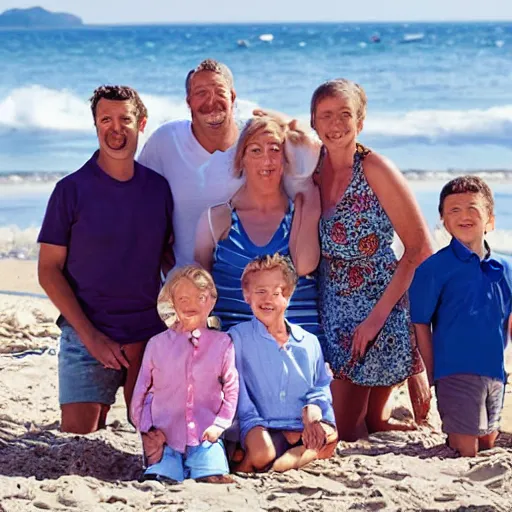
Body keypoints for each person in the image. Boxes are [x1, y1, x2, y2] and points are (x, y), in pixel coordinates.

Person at [37, 85, 174, 434]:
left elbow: (167, 258)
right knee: (80, 435)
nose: (116, 128)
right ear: (95, 126)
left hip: (145, 333)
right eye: (106, 119)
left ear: (141, 123)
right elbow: (48, 271)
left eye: (125, 119)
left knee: (154, 431)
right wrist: (92, 337)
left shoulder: (158, 189)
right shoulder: (70, 190)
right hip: (85, 331)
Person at [310, 78, 433, 441]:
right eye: (326, 115)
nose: (335, 124)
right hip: (330, 305)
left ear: (360, 122)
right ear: (314, 122)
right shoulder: (314, 167)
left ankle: (395, 390)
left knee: (346, 430)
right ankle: (382, 415)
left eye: (345, 114)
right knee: (356, 422)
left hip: (378, 311)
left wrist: (375, 322)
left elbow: (419, 249)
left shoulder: (375, 168)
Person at [409, 176, 512, 457]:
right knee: (468, 449)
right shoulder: (433, 269)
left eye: (472, 208)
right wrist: (433, 372)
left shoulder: (506, 268)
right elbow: (420, 324)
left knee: (488, 442)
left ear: (490, 220)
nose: (464, 216)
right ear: (442, 219)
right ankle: (455, 439)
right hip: (454, 370)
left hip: (494, 371)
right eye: (454, 210)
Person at [194, 115, 322, 334]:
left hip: (298, 350)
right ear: (241, 159)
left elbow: (305, 265)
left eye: (274, 150)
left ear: (286, 159)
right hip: (236, 351)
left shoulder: (301, 209)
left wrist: (307, 187)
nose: (267, 160)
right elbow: (199, 290)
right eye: (255, 150)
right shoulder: (217, 220)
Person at [229, 254, 337, 473]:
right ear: (247, 295)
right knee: (262, 453)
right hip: (258, 423)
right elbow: (238, 393)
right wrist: (253, 427)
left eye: (276, 293)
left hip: (302, 424)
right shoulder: (237, 338)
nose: (268, 300)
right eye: (260, 292)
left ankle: (283, 458)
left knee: (330, 435)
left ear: (287, 296)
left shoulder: (309, 342)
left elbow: (320, 386)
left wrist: (313, 412)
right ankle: (280, 458)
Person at [130, 265, 238, 483]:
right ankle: (167, 464)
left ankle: (205, 464)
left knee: (213, 479)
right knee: (160, 478)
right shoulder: (157, 344)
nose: (191, 305)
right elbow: (141, 389)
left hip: (206, 434)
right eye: (183, 299)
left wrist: (219, 425)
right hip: (165, 435)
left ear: (211, 301)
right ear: (172, 303)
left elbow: (231, 389)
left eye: (200, 297)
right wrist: (145, 429)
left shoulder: (223, 343)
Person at [138, 59, 243, 268]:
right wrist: (157, 252)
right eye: (201, 93)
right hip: (185, 287)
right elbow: (137, 201)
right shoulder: (166, 140)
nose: (211, 101)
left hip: (247, 290)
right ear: (188, 102)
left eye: (219, 91)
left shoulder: (256, 141)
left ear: (232, 96)